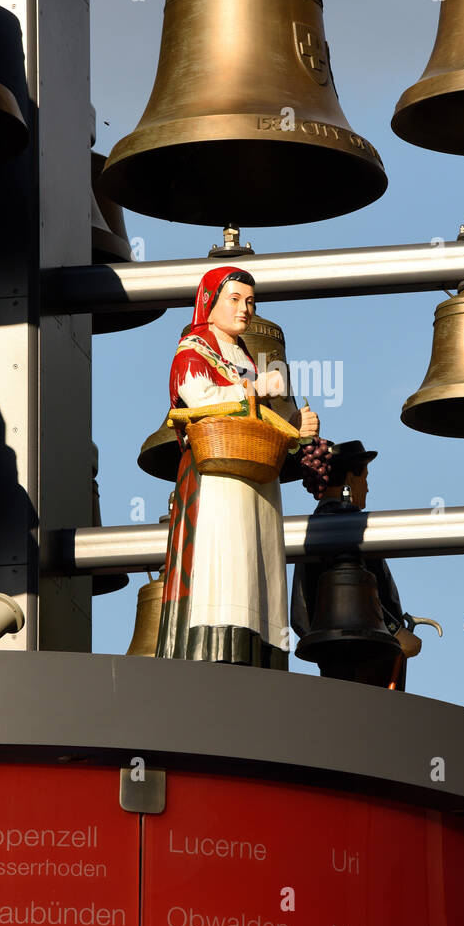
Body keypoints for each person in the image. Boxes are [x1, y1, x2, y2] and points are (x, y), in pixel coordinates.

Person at [155, 265, 319, 666]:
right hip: (217, 477)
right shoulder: (193, 350)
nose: (245, 309)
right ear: (210, 302)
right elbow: (198, 395)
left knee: (257, 557)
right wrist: (256, 388)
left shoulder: (243, 356)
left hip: (256, 475)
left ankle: (261, 648)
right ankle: (218, 648)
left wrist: (297, 430)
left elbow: (262, 417)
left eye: (250, 301)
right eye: (234, 299)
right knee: (226, 559)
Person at [290, 440, 421, 690]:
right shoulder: (349, 526)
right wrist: (394, 631)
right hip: (363, 655)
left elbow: (301, 614)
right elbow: (358, 598)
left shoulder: (312, 529)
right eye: (366, 478)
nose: (368, 488)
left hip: (332, 652)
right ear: (351, 477)